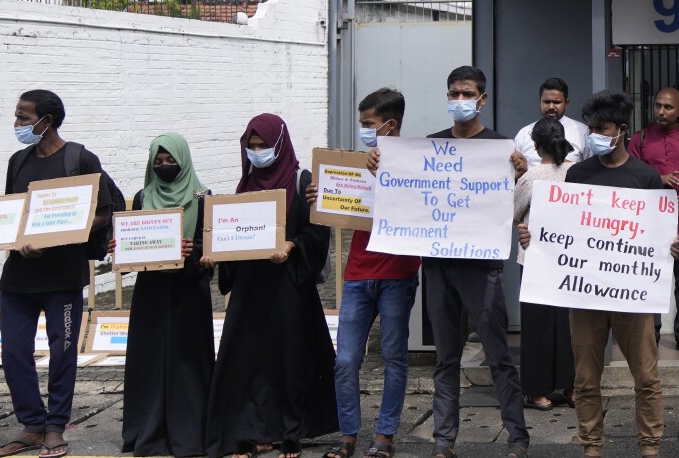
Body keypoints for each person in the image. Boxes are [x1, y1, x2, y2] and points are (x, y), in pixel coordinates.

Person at [534, 89, 679, 458]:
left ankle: (650, 447)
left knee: (647, 379)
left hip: (633, 297)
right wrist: (534, 236)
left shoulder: (647, 177)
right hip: (586, 295)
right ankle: (591, 447)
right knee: (585, 379)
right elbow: (564, 230)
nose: (594, 136)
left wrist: (672, 245)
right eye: (591, 129)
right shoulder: (578, 174)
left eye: (602, 129)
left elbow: (657, 235)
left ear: (621, 130)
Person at [0, 90, 116, 458]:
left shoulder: (80, 158)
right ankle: (31, 425)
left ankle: (56, 427)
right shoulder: (18, 160)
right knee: (13, 352)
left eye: (24, 119)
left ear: (48, 120)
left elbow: (102, 213)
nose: (18, 125)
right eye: (17, 118)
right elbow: (13, 213)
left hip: (62, 278)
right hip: (19, 279)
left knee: (63, 352)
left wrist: (55, 239)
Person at [206, 114, 337, 458]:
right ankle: (252, 431)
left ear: (280, 144)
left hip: (288, 287)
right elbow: (234, 234)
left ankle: (291, 431)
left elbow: (317, 231)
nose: (257, 152)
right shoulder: (245, 185)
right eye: (252, 146)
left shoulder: (301, 180)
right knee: (247, 359)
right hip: (250, 288)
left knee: (290, 358)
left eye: (263, 145)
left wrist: (292, 246)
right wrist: (216, 251)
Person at [422, 66, 529, 458]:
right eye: (454, 93)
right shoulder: (429, 147)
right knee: (445, 359)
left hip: (481, 267)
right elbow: (406, 194)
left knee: (499, 357)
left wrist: (521, 175)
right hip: (437, 265)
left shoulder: (501, 147)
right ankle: (443, 441)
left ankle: (517, 438)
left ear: (482, 99)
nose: (460, 101)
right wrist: (380, 167)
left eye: (467, 94)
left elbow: (519, 203)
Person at [310, 89, 420, 458]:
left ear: (390, 125)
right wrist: (320, 197)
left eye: (368, 125)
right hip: (358, 273)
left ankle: (385, 436)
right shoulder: (356, 165)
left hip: (398, 274)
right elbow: (338, 204)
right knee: (345, 360)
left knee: (394, 356)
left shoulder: (418, 164)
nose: (364, 132)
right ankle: (348, 435)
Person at [122, 133, 213, 458]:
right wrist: (121, 249)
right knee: (150, 359)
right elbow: (134, 240)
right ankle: (146, 427)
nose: (164, 166)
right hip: (151, 293)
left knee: (188, 360)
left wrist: (193, 251)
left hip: (189, 290)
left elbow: (211, 245)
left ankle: (190, 431)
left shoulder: (203, 195)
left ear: (183, 159)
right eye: (158, 162)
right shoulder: (143, 195)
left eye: (170, 160)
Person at [628, 87, 679, 356]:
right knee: (651, 275)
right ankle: (650, 331)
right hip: (649, 220)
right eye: (658, 106)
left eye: (667, 107)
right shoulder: (640, 138)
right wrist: (659, 180)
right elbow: (629, 175)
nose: (661, 111)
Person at [513, 118, 576, 412]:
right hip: (570, 262)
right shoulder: (577, 173)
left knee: (537, 327)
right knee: (570, 326)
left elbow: (513, 213)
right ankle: (572, 386)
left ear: (536, 146)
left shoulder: (531, 177)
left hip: (535, 261)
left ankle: (537, 392)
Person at [514, 77, 588, 169]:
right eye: (546, 101)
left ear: (566, 103)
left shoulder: (582, 132)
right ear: (539, 102)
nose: (551, 107)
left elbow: (590, 170)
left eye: (556, 102)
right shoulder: (524, 134)